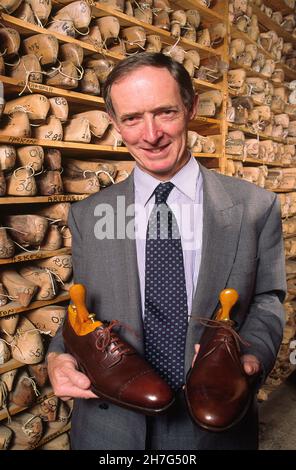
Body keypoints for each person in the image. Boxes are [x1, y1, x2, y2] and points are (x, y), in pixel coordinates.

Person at [47, 52, 286, 450]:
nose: (151, 134)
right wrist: (57, 356)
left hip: (214, 424)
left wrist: (253, 355)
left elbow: (268, 298)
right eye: (132, 118)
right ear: (113, 122)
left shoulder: (255, 207)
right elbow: (81, 308)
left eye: (165, 113)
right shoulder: (89, 216)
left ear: (191, 107)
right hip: (111, 428)